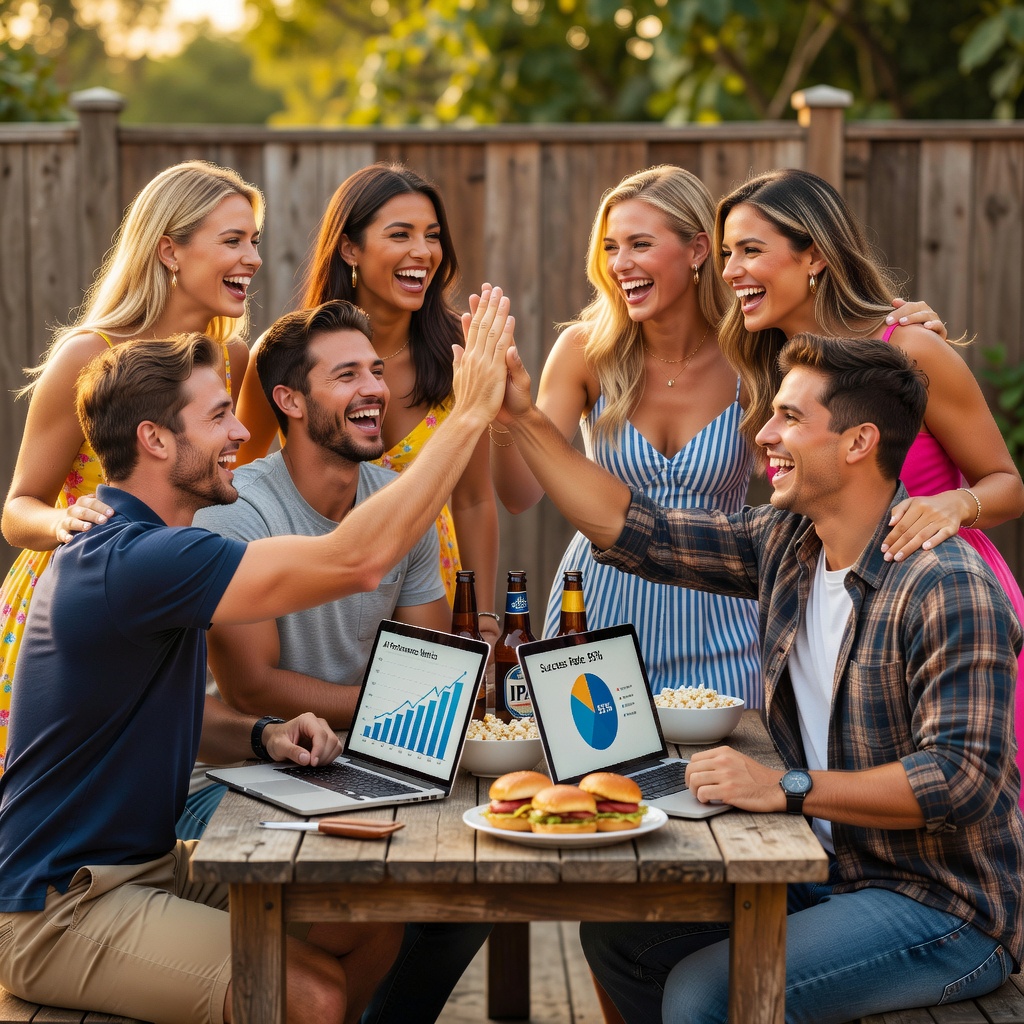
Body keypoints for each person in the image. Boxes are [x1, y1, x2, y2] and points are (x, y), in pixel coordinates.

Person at [0, 287, 514, 1023]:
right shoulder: (140, 558)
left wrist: (260, 734)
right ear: (154, 440)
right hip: (60, 905)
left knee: (366, 923)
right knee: (308, 992)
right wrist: (467, 416)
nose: (242, 431)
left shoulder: (146, 548)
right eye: (217, 417)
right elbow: (358, 560)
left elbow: (150, 714)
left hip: (143, 867)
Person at [492, 324, 1024, 1024]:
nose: (763, 434)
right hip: (819, 868)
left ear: (859, 442)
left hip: (937, 903)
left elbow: (961, 777)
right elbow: (634, 529)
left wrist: (784, 786)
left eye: (789, 417)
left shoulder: (946, 585)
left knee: (703, 994)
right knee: (620, 935)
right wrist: (526, 419)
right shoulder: (788, 546)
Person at [187, 299, 491, 1024]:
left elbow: (429, 660)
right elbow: (252, 684)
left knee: (470, 891)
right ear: (290, 401)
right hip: (238, 774)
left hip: (363, 764)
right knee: (372, 914)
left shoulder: (400, 506)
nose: (374, 389)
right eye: (347, 374)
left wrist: (427, 700)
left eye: (377, 372)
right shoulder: (241, 512)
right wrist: (402, 703)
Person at [715, 167, 1024, 802]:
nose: (729, 271)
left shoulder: (910, 348)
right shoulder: (772, 364)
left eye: (750, 250)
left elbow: (1008, 484)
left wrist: (953, 504)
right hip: (834, 610)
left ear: (815, 258)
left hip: (940, 605)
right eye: (725, 253)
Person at [0, 159, 264, 772]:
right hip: (67, 611)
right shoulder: (90, 355)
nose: (251, 257)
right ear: (169, 250)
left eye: (254, 241)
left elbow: (231, 486)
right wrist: (65, 523)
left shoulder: (232, 358)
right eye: (232, 240)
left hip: (164, 603)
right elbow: (17, 509)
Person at [489, 165, 761, 704]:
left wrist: (907, 329)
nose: (620, 264)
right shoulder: (585, 352)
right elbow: (519, 494)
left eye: (640, 243)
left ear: (698, 249)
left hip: (723, 618)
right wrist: (502, 414)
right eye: (611, 247)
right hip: (596, 617)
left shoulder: (754, 353)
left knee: (726, 779)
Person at [234, 162, 499, 629]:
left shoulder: (463, 350)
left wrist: (480, 617)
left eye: (432, 236)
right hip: (326, 588)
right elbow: (236, 481)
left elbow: (474, 500)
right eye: (400, 235)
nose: (422, 251)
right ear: (350, 248)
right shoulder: (287, 354)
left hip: (431, 592)